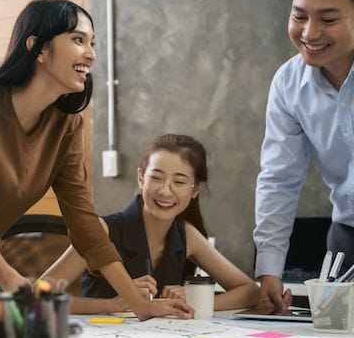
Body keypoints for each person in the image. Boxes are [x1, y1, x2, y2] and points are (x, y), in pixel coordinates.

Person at [0, 0, 192, 320]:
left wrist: (138, 302)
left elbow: (83, 221)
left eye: (92, 43)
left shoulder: (68, 123)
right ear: (39, 49)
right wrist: (8, 277)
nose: (90, 53)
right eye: (77, 40)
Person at [42, 134, 259, 314]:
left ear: (195, 190)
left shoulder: (187, 235)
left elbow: (250, 291)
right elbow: (37, 296)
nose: (165, 191)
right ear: (140, 178)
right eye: (156, 178)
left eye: (180, 182)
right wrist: (112, 304)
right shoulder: (102, 230)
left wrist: (191, 302)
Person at [255, 0, 354, 312]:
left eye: (328, 19)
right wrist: (268, 268)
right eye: (299, 16)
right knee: (336, 337)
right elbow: (279, 179)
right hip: (348, 232)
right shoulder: (288, 83)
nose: (309, 33)